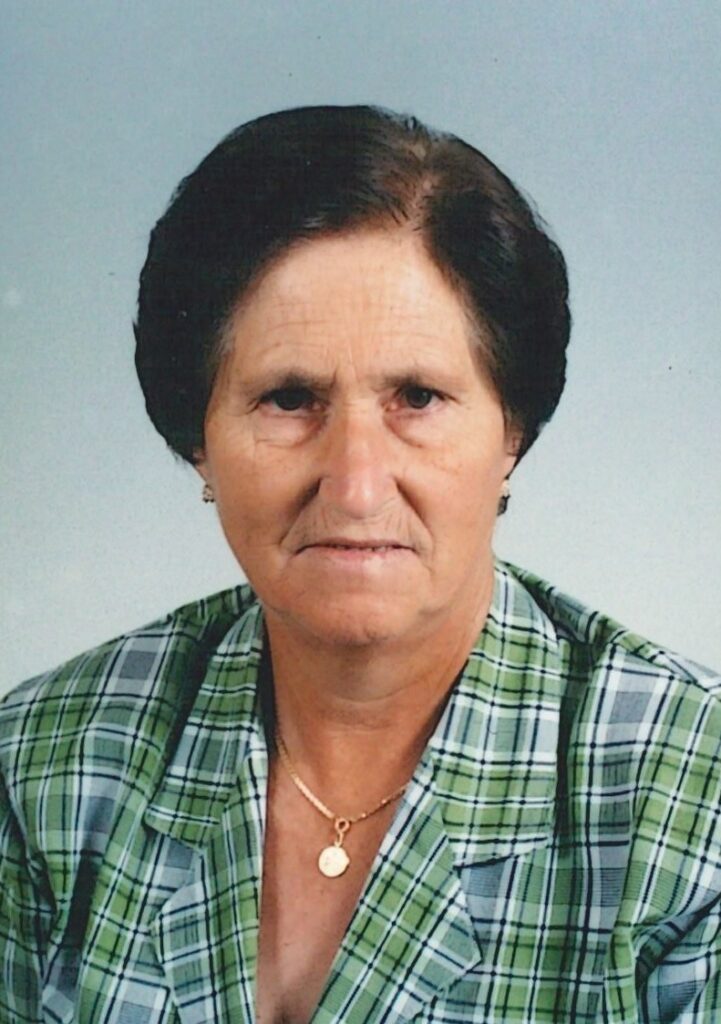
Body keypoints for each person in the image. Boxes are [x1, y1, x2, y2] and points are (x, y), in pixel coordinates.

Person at [1, 105, 719, 1024]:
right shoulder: (44, 762)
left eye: (417, 396)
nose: (354, 485)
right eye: (288, 398)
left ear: (511, 430)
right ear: (197, 440)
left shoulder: (689, 795)